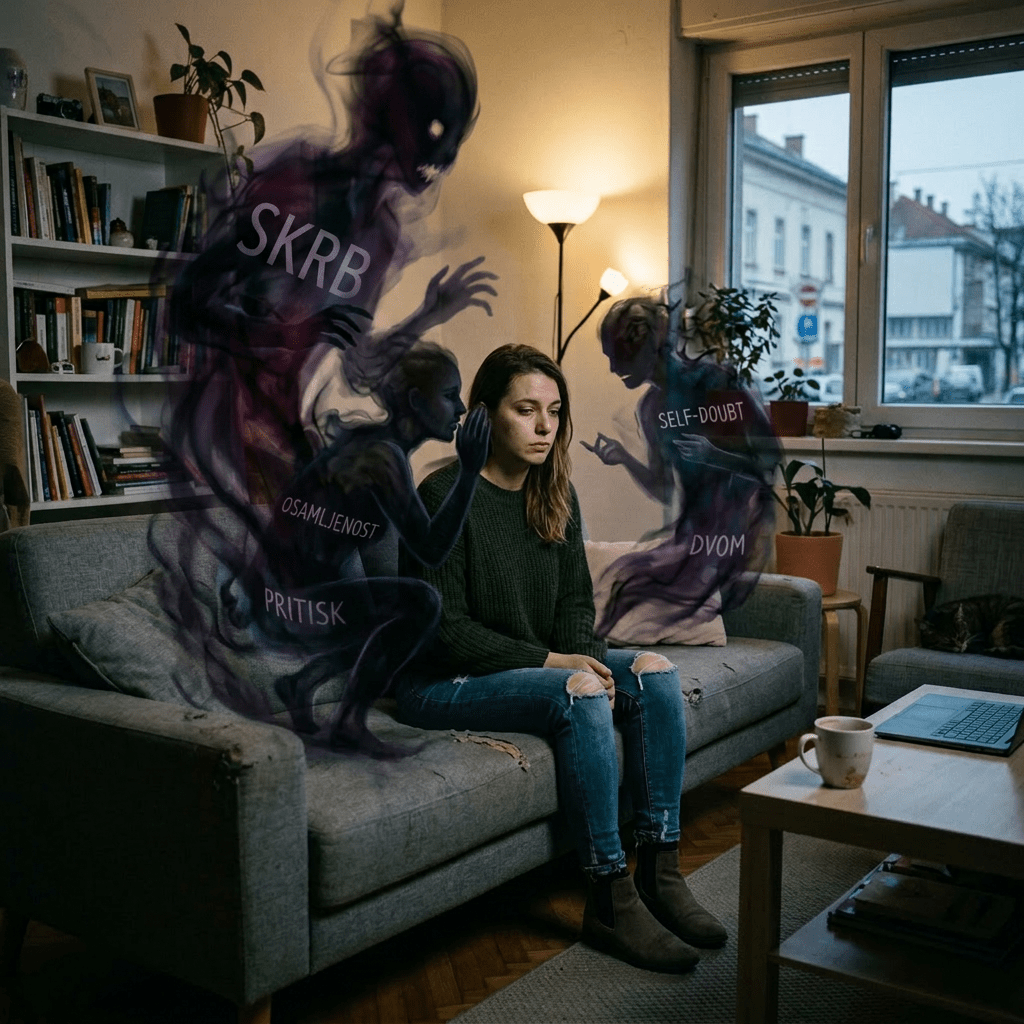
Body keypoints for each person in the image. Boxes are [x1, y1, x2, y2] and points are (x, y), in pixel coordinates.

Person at [395, 343, 727, 973]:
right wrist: (557, 662)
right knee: (578, 690)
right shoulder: (444, 493)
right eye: (526, 410)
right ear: (484, 416)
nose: (545, 427)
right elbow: (447, 633)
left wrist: (581, 655)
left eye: (554, 410)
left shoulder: (557, 493)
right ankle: (606, 890)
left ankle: (660, 866)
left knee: (655, 674)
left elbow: (578, 602)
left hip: (532, 665)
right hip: (439, 682)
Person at [581, 294, 780, 640]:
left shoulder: (716, 382)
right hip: (692, 537)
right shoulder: (650, 408)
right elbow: (663, 489)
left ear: (646, 348)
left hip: (735, 534)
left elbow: (767, 461)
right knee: (618, 589)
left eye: (617, 357)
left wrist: (712, 454)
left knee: (631, 591)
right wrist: (625, 459)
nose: (613, 369)